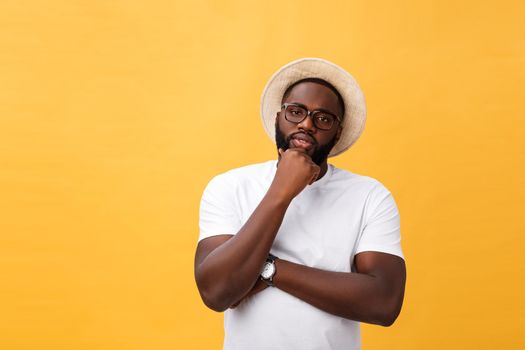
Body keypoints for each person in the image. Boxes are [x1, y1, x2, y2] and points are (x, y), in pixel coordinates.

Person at [194, 58, 406, 350]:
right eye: (295, 112)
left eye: (323, 118)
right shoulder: (230, 186)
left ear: (338, 132)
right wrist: (281, 191)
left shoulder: (369, 195)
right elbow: (217, 292)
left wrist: (266, 268)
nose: (306, 124)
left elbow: (383, 302)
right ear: (277, 118)